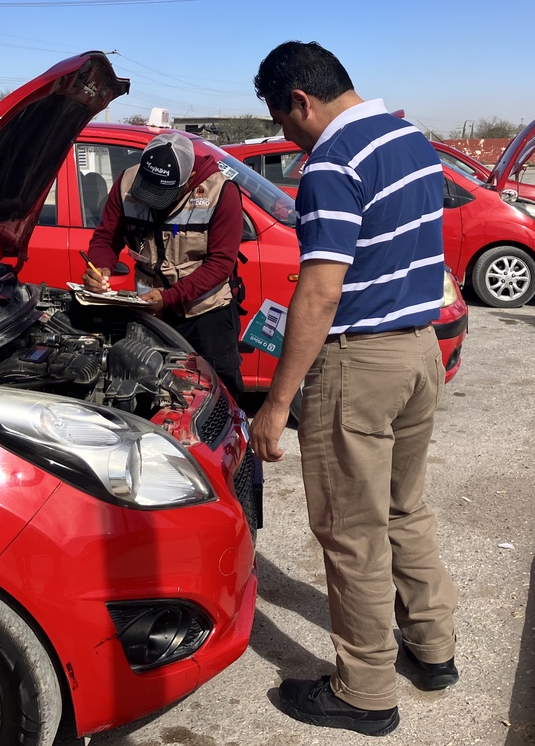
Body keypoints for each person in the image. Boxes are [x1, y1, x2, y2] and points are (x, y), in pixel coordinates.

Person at [249, 41, 458, 736]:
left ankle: (365, 690)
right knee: (405, 509)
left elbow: (319, 291)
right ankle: (432, 651)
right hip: (420, 352)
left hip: (360, 364)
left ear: (300, 101)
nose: (286, 137)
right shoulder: (411, 138)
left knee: (352, 533)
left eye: (282, 122)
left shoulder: (333, 163)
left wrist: (277, 405)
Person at [82, 130, 245, 399]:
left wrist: (169, 298)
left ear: (189, 178)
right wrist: (100, 268)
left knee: (218, 395)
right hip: (149, 312)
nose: (153, 199)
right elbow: (105, 238)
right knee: (147, 391)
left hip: (205, 316)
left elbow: (221, 263)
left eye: (163, 193)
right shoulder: (125, 184)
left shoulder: (221, 193)